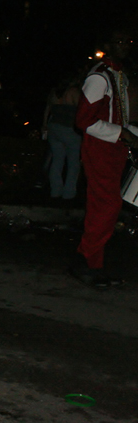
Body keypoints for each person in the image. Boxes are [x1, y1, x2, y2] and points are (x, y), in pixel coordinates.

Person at [70, 31, 138, 288]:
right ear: (106, 45)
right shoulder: (99, 77)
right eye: (118, 41)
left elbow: (119, 116)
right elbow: (83, 120)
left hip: (113, 148)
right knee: (106, 206)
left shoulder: (119, 75)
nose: (123, 46)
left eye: (127, 42)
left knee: (106, 208)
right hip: (100, 148)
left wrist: (128, 135)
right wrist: (123, 134)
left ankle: (91, 263)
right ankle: (85, 261)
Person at [43, 76, 82, 202]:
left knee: (57, 159)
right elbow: (82, 110)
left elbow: (47, 109)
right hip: (69, 129)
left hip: (54, 127)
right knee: (73, 162)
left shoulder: (54, 92)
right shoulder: (73, 91)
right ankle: (68, 193)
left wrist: (44, 125)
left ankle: (55, 191)